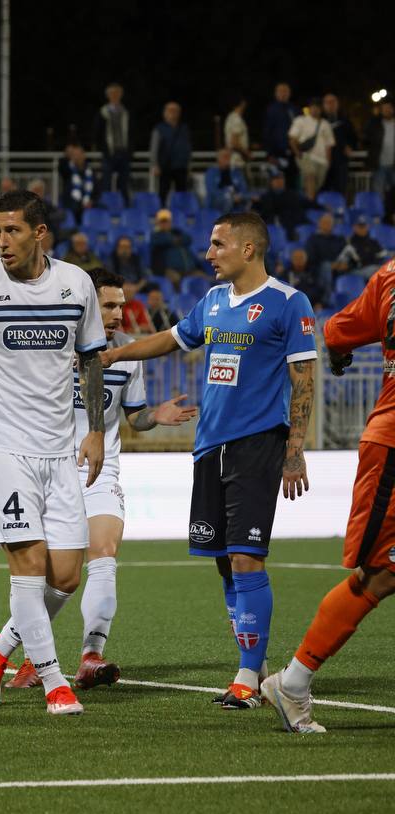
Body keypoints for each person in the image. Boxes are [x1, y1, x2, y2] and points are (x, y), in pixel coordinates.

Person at [99, 212, 317, 710]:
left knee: (246, 557)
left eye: (218, 244)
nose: (208, 253)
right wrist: (114, 356)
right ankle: (257, 667)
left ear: (248, 249)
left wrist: (294, 451)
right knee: (224, 562)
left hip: (258, 443)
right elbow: (172, 338)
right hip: (209, 446)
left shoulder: (288, 303)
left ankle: (246, 676)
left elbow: (304, 379)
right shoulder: (214, 301)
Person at [0, 189, 107, 717]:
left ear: (39, 233)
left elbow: (92, 359)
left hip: (59, 449)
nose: (2, 241)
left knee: (66, 576)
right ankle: (55, 683)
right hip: (0, 446)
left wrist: (95, 430)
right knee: (29, 566)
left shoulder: (77, 284)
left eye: (12, 230)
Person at [4, 268, 197, 691]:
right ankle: (24, 655)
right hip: (49, 471)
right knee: (56, 577)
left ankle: (91, 655)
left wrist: (154, 416)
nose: (118, 314)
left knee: (104, 554)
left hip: (99, 471)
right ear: (87, 304)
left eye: (121, 306)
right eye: (108, 305)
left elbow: (134, 416)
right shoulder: (51, 346)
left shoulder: (128, 353)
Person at [260, 260, 395, 733]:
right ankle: (293, 681)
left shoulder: (389, 276)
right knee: (379, 574)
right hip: (393, 448)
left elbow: (338, 331)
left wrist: (339, 353)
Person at [288, 98, 334, 201]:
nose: (315, 109)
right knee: (310, 175)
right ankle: (310, 205)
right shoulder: (300, 120)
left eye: (317, 107)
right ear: (309, 108)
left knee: (317, 185)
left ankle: (307, 202)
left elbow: (329, 145)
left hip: (322, 160)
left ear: (321, 109)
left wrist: (328, 162)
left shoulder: (325, 124)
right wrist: (297, 153)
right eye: (313, 107)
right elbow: (292, 139)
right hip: (306, 156)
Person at [93, 83, 132, 198]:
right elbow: (97, 133)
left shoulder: (126, 112)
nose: (115, 95)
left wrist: (130, 151)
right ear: (108, 96)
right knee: (106, 181)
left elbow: (133, 133)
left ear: (121, 95)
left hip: (124, 152)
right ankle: (107, 204)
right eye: (112, 93)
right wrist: (103, 149)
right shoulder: (102, 112)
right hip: (108, 153)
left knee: (124, 182)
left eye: (117, 93)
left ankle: (125, 205)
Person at [150, 102, 191, 205]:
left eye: (175, 111)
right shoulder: (159, 128)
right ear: (165, 113)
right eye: (170, 111)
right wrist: (155, 165)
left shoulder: (184, 128)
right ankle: (162, 212)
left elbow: (187, 148)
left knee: (182, 193)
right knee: (163, 192)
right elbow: (154, 148)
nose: (173, 113)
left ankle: (181, 212)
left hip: (181, 166)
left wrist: (188, 165)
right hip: (165, 166)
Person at [322, 93, 356, 197]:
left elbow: (353, 138)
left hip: (341, 160)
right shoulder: (320, 121)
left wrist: (350, 147)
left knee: (341, 188)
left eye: (333, 102)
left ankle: (340, 207)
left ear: (337, 104)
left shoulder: (345, 120)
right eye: (327, 102)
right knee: (323, 189)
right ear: (324, 105)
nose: (330, 105)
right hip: (323, 160)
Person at [149, 209, 195, 283]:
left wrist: (174, 239)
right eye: (162, 221)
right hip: (168, 270)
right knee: (176, 279)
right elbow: (159, 242)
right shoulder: (156, 235)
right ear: (158, 223)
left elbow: (188, 239)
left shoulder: (177, 232)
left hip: (187, 269)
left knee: (202, 278)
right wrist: (173, 240)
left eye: (167, 221)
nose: (165, 224)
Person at [263, 82, 297, 177]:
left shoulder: (294, 109)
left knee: (292, 180)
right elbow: (267, 133)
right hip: (276, 153)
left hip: (293, 153)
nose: (283, 93)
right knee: (277, 180)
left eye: (285, 91)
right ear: (276, 93)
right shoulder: (271, 110)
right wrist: (269, 153)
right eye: (280, 91)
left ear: (289, 93)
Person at [366, 99, 395, 208]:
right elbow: (366, 138)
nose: (387, 110)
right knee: (379, 194)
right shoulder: (375, 124)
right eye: (384, 109)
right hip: (379, 165)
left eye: (389, 108)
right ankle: (380, 215)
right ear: (381, 111)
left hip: (393, 165)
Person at [58, 143, 97, 222]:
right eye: (74, 155)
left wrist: (92, 201)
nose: (77, 157)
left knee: (102, 208)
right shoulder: (68, 170)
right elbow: (62, 168)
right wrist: (68, 157)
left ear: (84, 155)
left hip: (88, 204)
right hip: (73, 206)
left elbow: (97, 190)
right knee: (74, 207)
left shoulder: (90, 171)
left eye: (79, 154)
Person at [203, 149, 248, 213]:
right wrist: (228, 195)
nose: (228, 159)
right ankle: (225, 218)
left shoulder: (236, 172)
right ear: (218, 159)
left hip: (235, 198)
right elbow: (211, 190)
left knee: (254, 197)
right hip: (217, 201)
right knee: (228, 199)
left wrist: (239, 195)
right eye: (225, 156)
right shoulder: (211, 172)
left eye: (229, 156)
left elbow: (243, 188)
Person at [224, 97, 251, 169]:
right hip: (238, 160)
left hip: (231, 158)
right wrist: (246, 153)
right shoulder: (237, 119)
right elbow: (234, 142)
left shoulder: (230, 117)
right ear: (242, 104)